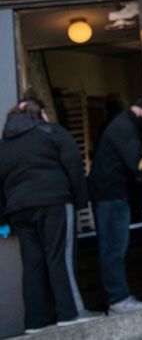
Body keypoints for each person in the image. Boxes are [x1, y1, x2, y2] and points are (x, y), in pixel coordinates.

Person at [0, 94, 100, 331]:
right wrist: (79, 200)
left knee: (32, 264)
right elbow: (74, 164)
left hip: (19, 210)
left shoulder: (3, 146)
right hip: (54, 201)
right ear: (40, 113)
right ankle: (71, 313)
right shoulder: (52, 132)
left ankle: (36, 322)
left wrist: (3, 217)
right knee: (60, 258)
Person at [88, 97, 142, 314]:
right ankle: (118, 299)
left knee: (113, 247)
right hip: (111, 195)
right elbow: (138, 163)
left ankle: (119, 297)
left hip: (108, 194)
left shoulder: (121, 124)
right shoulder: (125, 127)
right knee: (114, 247)